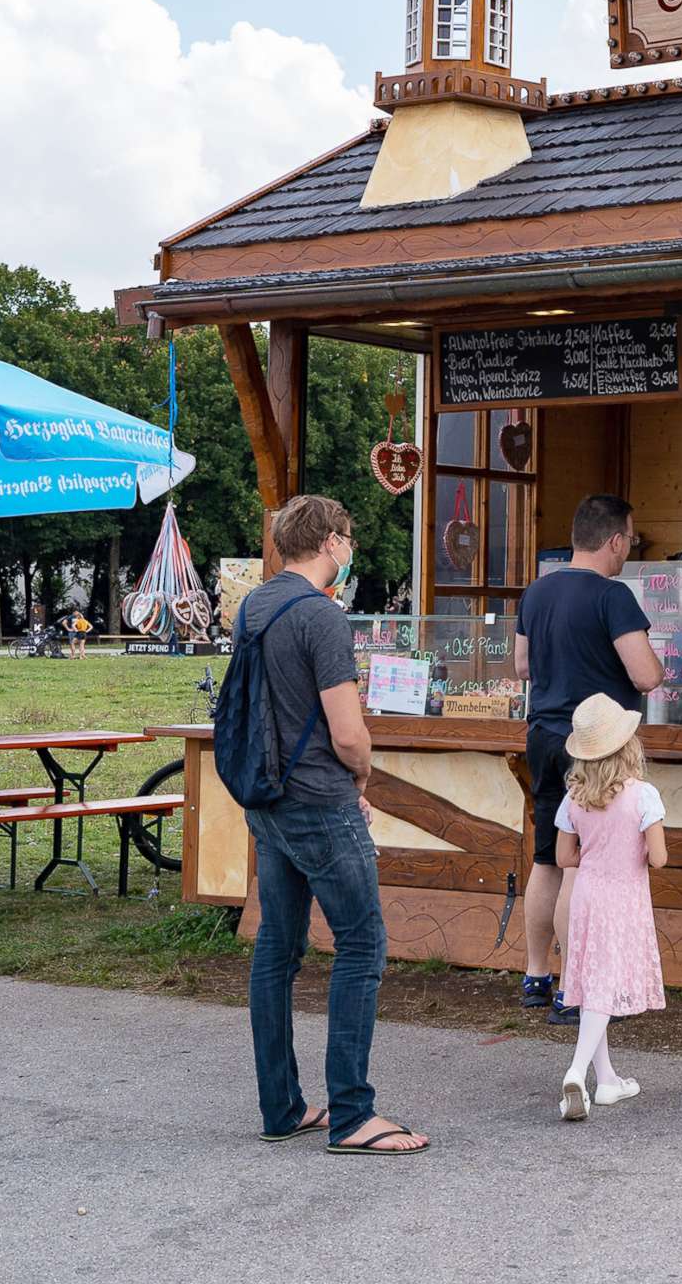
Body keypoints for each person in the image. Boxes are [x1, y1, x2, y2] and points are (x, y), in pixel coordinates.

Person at [240, 494, 428, 1155]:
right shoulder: (321, 617)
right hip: (321, 801)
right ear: (329, 543)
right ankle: (352, 1114)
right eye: (347, 539)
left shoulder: (256, 605)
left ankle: (282, 1106)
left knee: (277, 951)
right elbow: (348, 733)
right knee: (361, 947)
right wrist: (362, 777)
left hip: (267, 801)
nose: (350, 550)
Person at [514, 494, 664, 1018]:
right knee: (581, 862)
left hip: (544, 734)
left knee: (546, 857)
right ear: (615, 541)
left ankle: (536, 973)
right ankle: (573, 989)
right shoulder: (614, 596)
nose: (629, 550)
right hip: (594, 751)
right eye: (631, 539)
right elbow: (646, 675)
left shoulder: (536, 591)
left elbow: (522, 666)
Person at [551, 693, 667, 1120]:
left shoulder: (574, 796)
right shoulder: (643, 795)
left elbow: (563, 857)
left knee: (589, 982)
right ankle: (577, 1073)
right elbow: (658, 857)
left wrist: (593, 855)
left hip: (586, 894)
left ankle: (608, 1082)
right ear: (628, 746)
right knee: (602, 985)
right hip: (623, 898)